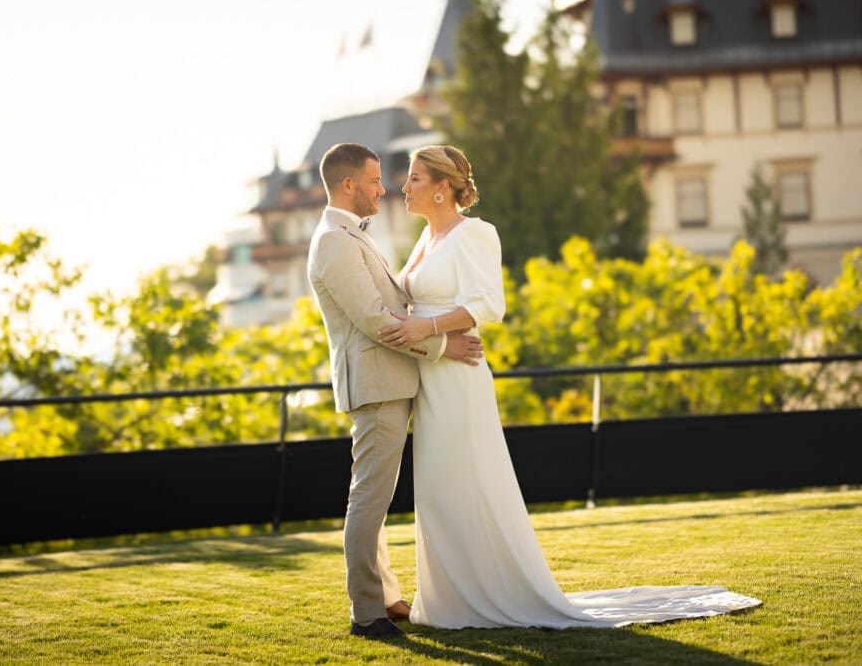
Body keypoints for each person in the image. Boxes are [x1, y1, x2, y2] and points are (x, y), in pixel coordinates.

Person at [377, 144, 762, 629]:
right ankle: (448, 597)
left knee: (466, 482)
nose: (404, 187)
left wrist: (429, 331)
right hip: (430, 376)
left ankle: (482, 596)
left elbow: (488, 304)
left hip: (459, 379)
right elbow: (413, 305)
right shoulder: (424, 239)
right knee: (438, 490)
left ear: (440, 188)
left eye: (412, 178)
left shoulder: (475, 233)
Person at [306, 143, 486, 639]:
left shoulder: (349, 237)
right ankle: (367, 613)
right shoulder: (334, 242)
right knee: (368, 499)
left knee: (375, 500)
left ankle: (385, 598)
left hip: (389, 382)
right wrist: (442, 346)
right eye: (373, 181)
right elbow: (374, 322)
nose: (383, 189)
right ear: (348, 186)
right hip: (378, 386)